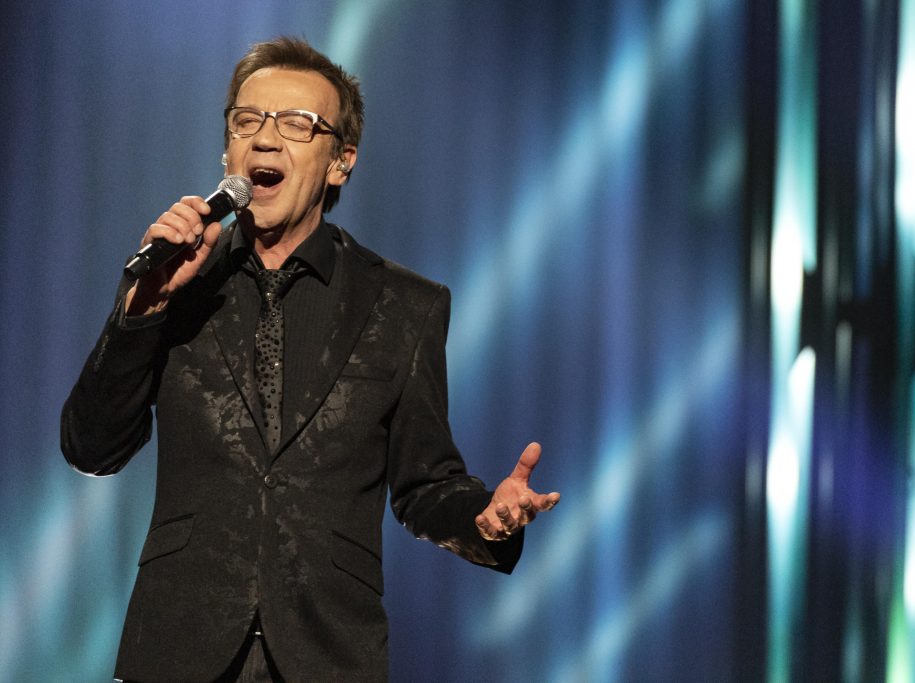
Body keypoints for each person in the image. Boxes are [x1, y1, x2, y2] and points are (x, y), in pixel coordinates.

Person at [61, 36, 559, 682]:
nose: (266, 139)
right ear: (227, 152)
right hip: (177, 646)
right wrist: (143, 307)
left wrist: (485, 519)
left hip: (328, 652)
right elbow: (91, 445)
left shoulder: (404, 306)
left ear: (341, 162)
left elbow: (425, 485)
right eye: (247, 120)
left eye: (297, 124)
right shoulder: (174, 283)